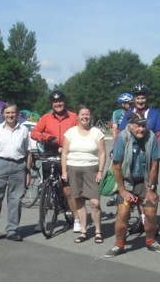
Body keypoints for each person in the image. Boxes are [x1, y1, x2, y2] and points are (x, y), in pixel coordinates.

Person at [104, 112, 160, 257]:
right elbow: (116, 166)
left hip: (145, 182)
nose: (141, 129)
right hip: (126, 181)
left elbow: (154, 166)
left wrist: (150, 190)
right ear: (130, 126)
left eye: (143, 125)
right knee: (123, 211)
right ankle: (119, 244)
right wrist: (122, 190)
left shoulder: (151, 138)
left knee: (150, 211)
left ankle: (151, 241)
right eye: (137, 125)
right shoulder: (122, 137)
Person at [116, 83, 160, 234]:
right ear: (134, 99)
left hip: (149, 158)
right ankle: (142, 219)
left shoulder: (155, 113)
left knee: (149, 190)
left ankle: (150, 222)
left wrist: (154, 151)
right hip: (131, 158)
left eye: (143, 98)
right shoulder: (129, 113)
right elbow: (120, 132)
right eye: (138, 98)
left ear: (147, 98)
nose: (140, 101)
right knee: (135, 188)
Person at [30, 90, 79, 233]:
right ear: (51, 104)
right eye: (55, 102)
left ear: (65, 102)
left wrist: (67, 146)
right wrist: (47, 138)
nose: (58, 104)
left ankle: (73, 215)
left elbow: (81, 132)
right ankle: (42, 220)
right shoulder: (46, 118)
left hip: (68, 153)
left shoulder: (73, 117)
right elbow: (34, 132)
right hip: (50, 151)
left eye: (60, 101)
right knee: (46, 189)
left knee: (68, 188)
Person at [0, 102, 31, 242]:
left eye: (13, 112)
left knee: (15, 200)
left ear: (17, 114)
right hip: (0, 165)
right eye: (7, 113)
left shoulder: (23, 130)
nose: (10, 115)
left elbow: (28, 153)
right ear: (3, 114)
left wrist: (27, 173)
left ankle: (12, 230)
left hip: (18, 166)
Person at [61, 105, 106, 244]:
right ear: (78, 117)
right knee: (79, 201)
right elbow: (64, 153)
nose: (85, 116)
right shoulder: (70, 133)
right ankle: (83, 231)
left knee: (95, 202)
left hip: (91, 169)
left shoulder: (97, 133)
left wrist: (100, 171)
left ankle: (98, 231)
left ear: (90, 116)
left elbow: (102, 153)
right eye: (82, 114)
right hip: (73, 168)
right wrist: (64, 171)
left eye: (87, 114)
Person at [107, 92, 134, 206]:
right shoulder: (117, 113)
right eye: (128, 103)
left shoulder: (133, 112)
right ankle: (114, 194)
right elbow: (114, 128)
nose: (130, 105)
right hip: (120, 140)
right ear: (122, 104)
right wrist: (115, 144)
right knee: (116, 166)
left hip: (131, 141)